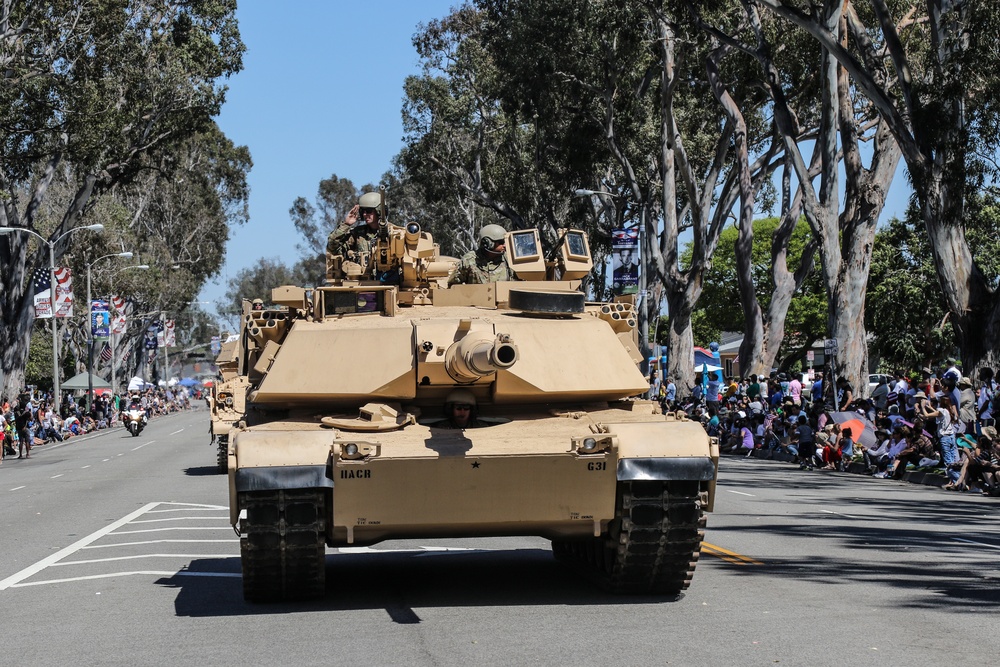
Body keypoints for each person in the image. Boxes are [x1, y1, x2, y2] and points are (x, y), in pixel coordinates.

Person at [326, 191, 384, 276]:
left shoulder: (394, 232)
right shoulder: (357, 234)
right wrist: (346, 225)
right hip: (360, 282)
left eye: (368, 211)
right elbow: (332, 247)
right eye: (363, 211)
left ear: (379, 211)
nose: (365, 214)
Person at [449, 224, 517, 285]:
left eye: (505, 242)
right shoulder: (469, 260)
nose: (505, 245)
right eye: (501, 242)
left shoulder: (508, 260)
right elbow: (453, 285)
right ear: (488, 243)